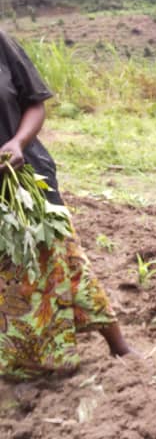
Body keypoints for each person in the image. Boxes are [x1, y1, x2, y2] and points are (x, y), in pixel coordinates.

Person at [0, 29, 134, 379]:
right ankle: (23, 366)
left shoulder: (2, 44)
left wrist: (17, 141)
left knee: (62, 258)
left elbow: (34, 102)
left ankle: (119, 346)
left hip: (25, 179)